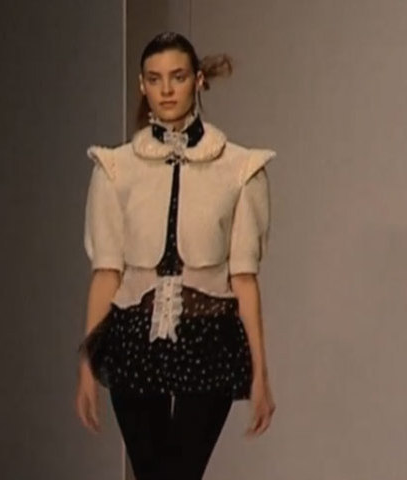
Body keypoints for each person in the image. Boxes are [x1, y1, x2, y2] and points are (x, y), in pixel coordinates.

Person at [74, 31, 276, 480]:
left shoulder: (240, 168)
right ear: (142, 86)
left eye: (178, 76)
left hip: (209, 339)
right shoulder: (115, 168)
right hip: (132, 341)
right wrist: (87, 368)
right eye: (155, 79)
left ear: (198, 81)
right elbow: (106, 272)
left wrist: (261, 374)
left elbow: (244, 278)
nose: (166, 89)